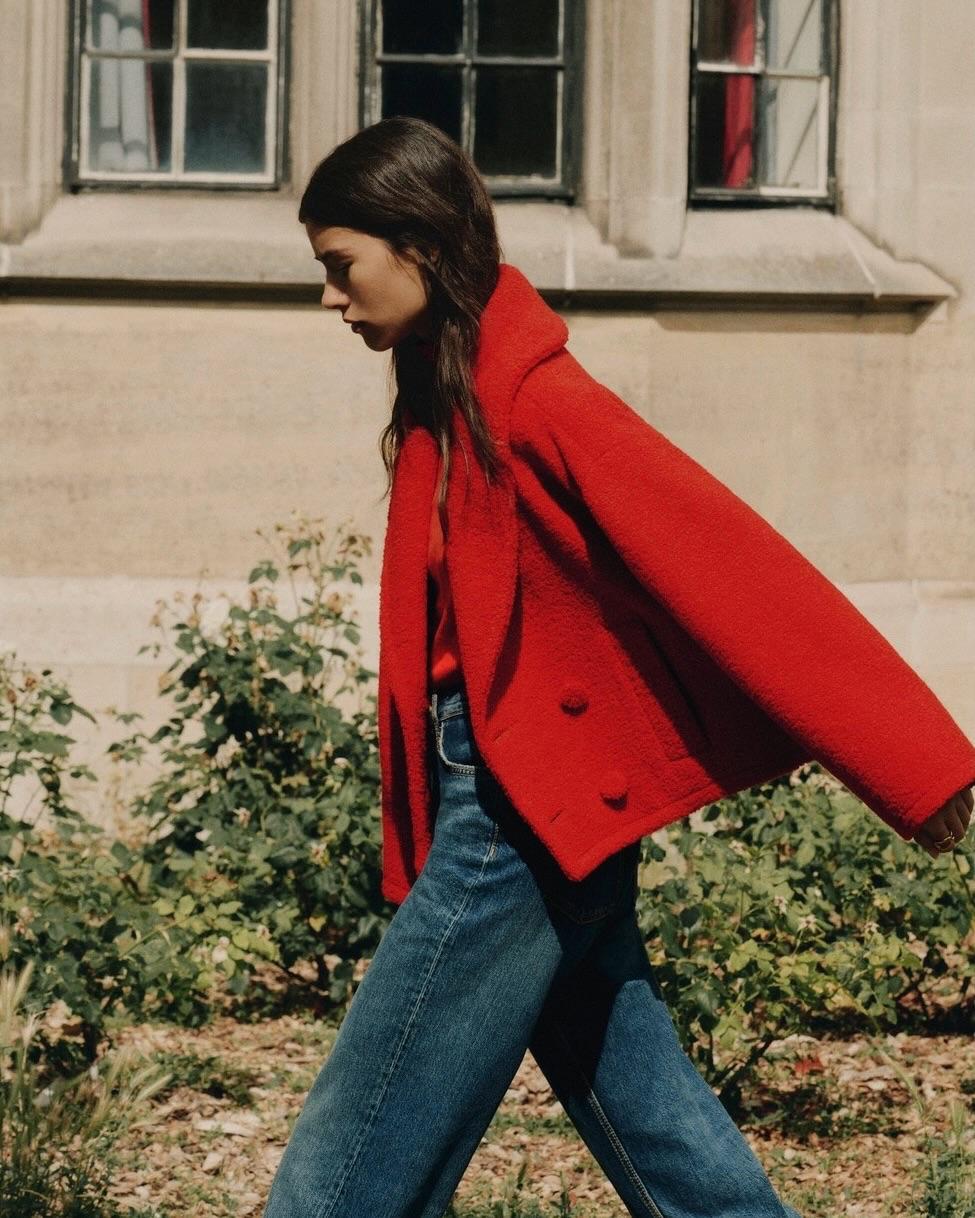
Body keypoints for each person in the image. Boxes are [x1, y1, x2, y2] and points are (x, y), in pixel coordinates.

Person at [262, 116, 975, 1218]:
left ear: (421, 248)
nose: (329, 298)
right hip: (514, 800)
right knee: (640, 1100)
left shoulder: (538, 400)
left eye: (341, 266)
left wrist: (913, 762)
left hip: (515, 816)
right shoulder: (446, 393)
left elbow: (731, 567)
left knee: (355, 1152)